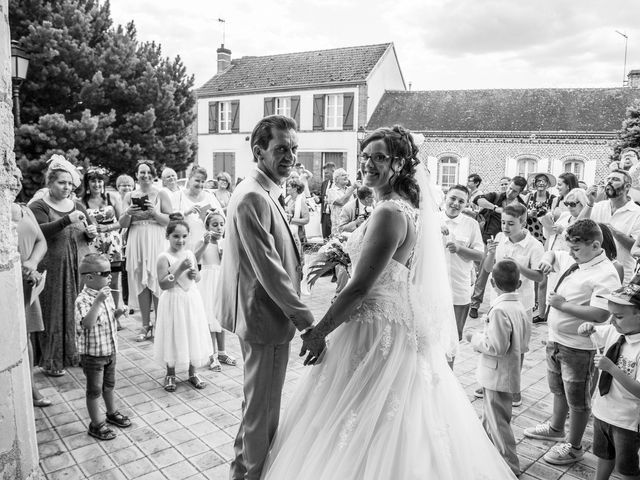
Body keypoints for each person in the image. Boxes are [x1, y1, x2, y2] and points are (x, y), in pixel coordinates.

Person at [260, 125, 517, 479]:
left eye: (379, 157)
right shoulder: (401, 207)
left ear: (399, 164)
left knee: (365, 414)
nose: (368, 164)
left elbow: (360, 289)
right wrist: (343, 256)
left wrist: (318, 332)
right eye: (365, 156)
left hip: (373, 327)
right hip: (392, 318)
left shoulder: (389, 213)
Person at [216, 115, 315, 480]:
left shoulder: (265, 190)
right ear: (259, 151)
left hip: (262, 318)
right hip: (264, 320)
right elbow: (269, 270)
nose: (290, 156)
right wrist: (306, 322)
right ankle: (251, 475)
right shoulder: (253, 198)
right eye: (281, 149)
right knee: (262, 414)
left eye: (293, 148)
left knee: (255, 408)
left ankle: (240, 473)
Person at [525, 220, 621, 465]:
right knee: (558, 389)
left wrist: (562, 305)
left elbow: (601, 314)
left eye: (576, 249)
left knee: (578, 401)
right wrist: (547, 258)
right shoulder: (575, 257)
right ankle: (556, 428)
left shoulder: (606, 274)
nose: (570, 253)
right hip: (555, 340)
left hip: (579, 347)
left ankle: (574, 445)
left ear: (596, 245)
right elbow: (554, 253)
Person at [30, 158, 97, 376]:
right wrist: (66, 220)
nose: (67, 187)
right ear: (50, 183)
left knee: (76, 311)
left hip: (77, 268)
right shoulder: (38, 206)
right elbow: (39, 233)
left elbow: (88, 231)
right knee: (54, 313)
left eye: (69, 183)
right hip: (53, 271)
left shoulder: (77, 205)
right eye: (61, 183)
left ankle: (75, 354)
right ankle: (52, 361)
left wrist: (91, 233)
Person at [476, 203, 544, 406]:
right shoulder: (499, 239)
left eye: (511, 224)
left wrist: (518, 267)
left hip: (521, 305)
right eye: (503, 222)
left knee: (517, 349)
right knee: (493, 341)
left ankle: (514, 388)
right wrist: (490, 253)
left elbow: (539, 277)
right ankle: (488, 382)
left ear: (523, 223)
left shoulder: (534, 246)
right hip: (497, 302)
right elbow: (488, 268)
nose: (505, 227)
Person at [466, 260, 529, 477]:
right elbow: (523, 342)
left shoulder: (501, 310)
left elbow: (496, 346)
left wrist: (474, 338)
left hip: (497, 375)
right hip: (508, 371)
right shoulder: (520, 307)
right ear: (519, 283)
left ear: (492, 282)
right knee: (489, 416)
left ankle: (510, 466)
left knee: (499, 422)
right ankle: (484, 453)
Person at [578, 283, 640, 480]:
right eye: (611, 314)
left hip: (627, 420)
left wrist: (612, 368)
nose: (612, 320)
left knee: (626, 469)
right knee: (604, 456)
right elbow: (591, 332)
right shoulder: (615, 331)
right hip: (603, 411)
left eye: (619, 316)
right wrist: (586, 327)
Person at [154, 213, 213, 392]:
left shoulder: (189, 253)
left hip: (190, 299)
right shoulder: (163, 257)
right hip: (173, 299)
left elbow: (197, 276)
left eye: (184, 236)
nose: (180, 240)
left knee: (192, 331)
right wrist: (180, 269)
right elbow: (164, 284)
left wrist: (196, 275)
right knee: (173, 333)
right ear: (168, 236)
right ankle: (170, 373)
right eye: (176, 236)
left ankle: (192, 372)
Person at [75, 253, 130, 440]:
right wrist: (98, 301)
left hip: (109, 350)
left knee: (109, 386)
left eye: (111, 271)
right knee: (94, 390)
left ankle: (111, 412)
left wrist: (118, 313)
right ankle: (96, 424)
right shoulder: (83, 300)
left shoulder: (104, 294)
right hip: (93, 355)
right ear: (90, 277)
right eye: (105, 273)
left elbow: (106, 319)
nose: (110, 276)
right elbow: (87, 324)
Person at [119, 161, 172, 342]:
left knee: (156, 280)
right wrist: (128, 213)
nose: (145, 175)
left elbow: (170, 221)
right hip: (137, 240)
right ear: (136, 175)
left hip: (155, 240)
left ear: (153, 175)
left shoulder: (161, 193)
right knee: (141, 281)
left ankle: (159, 324)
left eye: (149, 172)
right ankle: (144, 324)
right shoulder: (129, 195)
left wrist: (154, 213)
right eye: (142, 172)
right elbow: (122, 224)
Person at [11, 170, 50, 406]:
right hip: (8, 279)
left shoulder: (24, 209)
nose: (15, 180)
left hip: (28, 279)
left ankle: (32, 388)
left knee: (26, 336)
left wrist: (32, 263)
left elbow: (40, 240)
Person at [469, 176, 527, 318]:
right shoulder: (496, 196)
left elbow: (523, 222)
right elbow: (477, 200)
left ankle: (503, 304)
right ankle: (475, 304)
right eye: (509, 188)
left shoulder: (520, 205)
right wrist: (496, 208)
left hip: (508, 243)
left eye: (514, 191)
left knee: (505, 274)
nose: (509, 192)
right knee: (483, 272)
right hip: (490, 240)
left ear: (520, 192)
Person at [440, 184, 484, 340]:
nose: (456, 204)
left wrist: (459, 249)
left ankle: (449, 365)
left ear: (467, 204)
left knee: (455, 336)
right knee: (433, 337)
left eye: (461, 201)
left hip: (460, 287)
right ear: (445, 197)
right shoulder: (434, 219)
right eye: (453, 198)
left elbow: (479, 255)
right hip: (434, 288)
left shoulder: (471, 224)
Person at [194, 209, 236, 372]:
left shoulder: (225, 241)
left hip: (221, 279)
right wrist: (205, 243)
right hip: (208, 280)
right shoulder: (203, 241)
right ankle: (212, 355)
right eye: (215, 224)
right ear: (207, 226)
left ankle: (222, 352)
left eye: (221, 224)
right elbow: (195, 259)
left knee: (221, 319)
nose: (219, 228)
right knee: (210, 318)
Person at [81, 167, 124, 318]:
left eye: (99, 180)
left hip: (112, 245)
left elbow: (123, 222)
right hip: (92, 246)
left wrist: (107, 227)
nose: (97, 184)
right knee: (96, 282)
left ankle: (115, 315)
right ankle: (97, 314)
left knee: (113, 282)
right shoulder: (82, 202)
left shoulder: (112, 198)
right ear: (87, 183)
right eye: (93, 181)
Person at [586, 170, 640, 283]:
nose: (609, 182)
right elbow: (580, 230)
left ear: (627, 186)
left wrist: (611, 230)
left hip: (621, 274)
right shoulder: (598, 207)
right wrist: (590, 203)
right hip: (592, 270)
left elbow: (636, 247)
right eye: (608, 179)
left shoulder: (637, 212)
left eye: (615, 179)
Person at [175, 166, 223, 252]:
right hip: (186, 247)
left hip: (207, 248)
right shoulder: (178, 196)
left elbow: (222, 218)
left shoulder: (210, 197)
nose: (200, 184)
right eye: (197, 180)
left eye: (203, 181)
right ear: (189, 179)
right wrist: (186, 212)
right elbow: (170, 218)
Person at [115, 175, 134, 311]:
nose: (127, 188)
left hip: (130, 238)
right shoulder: (115, 201)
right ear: (118, 187)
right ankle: (126, 302)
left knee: (130, 270)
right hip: (116, 240)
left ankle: (134, 300)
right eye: (123, 185)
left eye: (129, 185)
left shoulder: (134, 201)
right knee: (123, 273)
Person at [327, 168, 358, 236]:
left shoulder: (350, 190)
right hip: (338, 230)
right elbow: (341, 202)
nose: (346, 177)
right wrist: (352, 188)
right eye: (343, 175)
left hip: (351, 228)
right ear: (336, 179)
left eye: (347, 175)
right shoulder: (331, 191)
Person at [284, 177, 310, 247]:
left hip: (298, 234)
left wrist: (290, 220)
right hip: (288, 232)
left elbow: (306, 220)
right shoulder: (287, 200)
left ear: (295, 189)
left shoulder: (301, 202)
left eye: (289, 186)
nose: (287, 188)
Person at [319, 162, 336, 239]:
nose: (325, 175)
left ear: (333, 171)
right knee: (325, 239)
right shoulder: (324, 183)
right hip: (325, 215)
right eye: (324, 173)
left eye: (327, 173)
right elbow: (322, 198)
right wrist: (318, 199)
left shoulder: (342, 182)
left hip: (335, 215)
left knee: (335, 239)